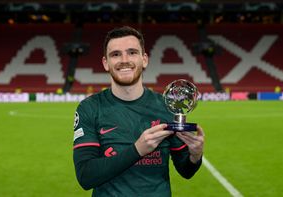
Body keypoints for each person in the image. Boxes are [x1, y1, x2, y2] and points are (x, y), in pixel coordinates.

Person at [73, 26, 205, 197]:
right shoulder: (90, 108)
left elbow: (186, 171)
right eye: (116, 54)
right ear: (106, 63)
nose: (124, 60)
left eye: (132, 52)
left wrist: (195, 156)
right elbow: (86, 176)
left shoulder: (166, 106)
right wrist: (138, 149)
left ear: (144, 59)